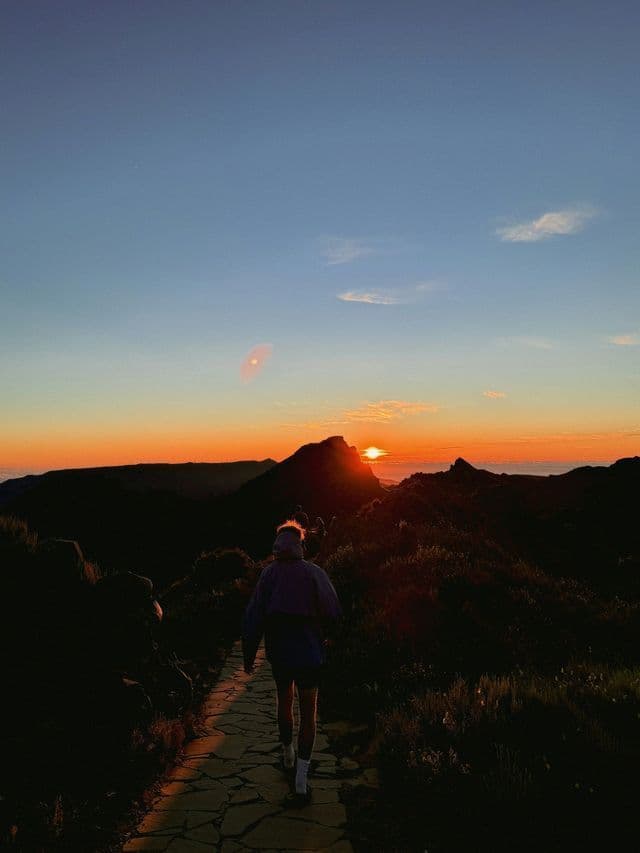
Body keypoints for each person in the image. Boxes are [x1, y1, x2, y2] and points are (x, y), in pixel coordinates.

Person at [242, 521, 342, 805]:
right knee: (308, 713)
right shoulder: (314, 573)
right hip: (310, 655)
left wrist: (249, 656)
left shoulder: (268, 576)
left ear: (277, 546)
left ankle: (287, 755)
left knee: (284, 703)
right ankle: (301, 780)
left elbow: (253, 618)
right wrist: (330, 637)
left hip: (281, 656)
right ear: (300, 544)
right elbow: (333, 611)